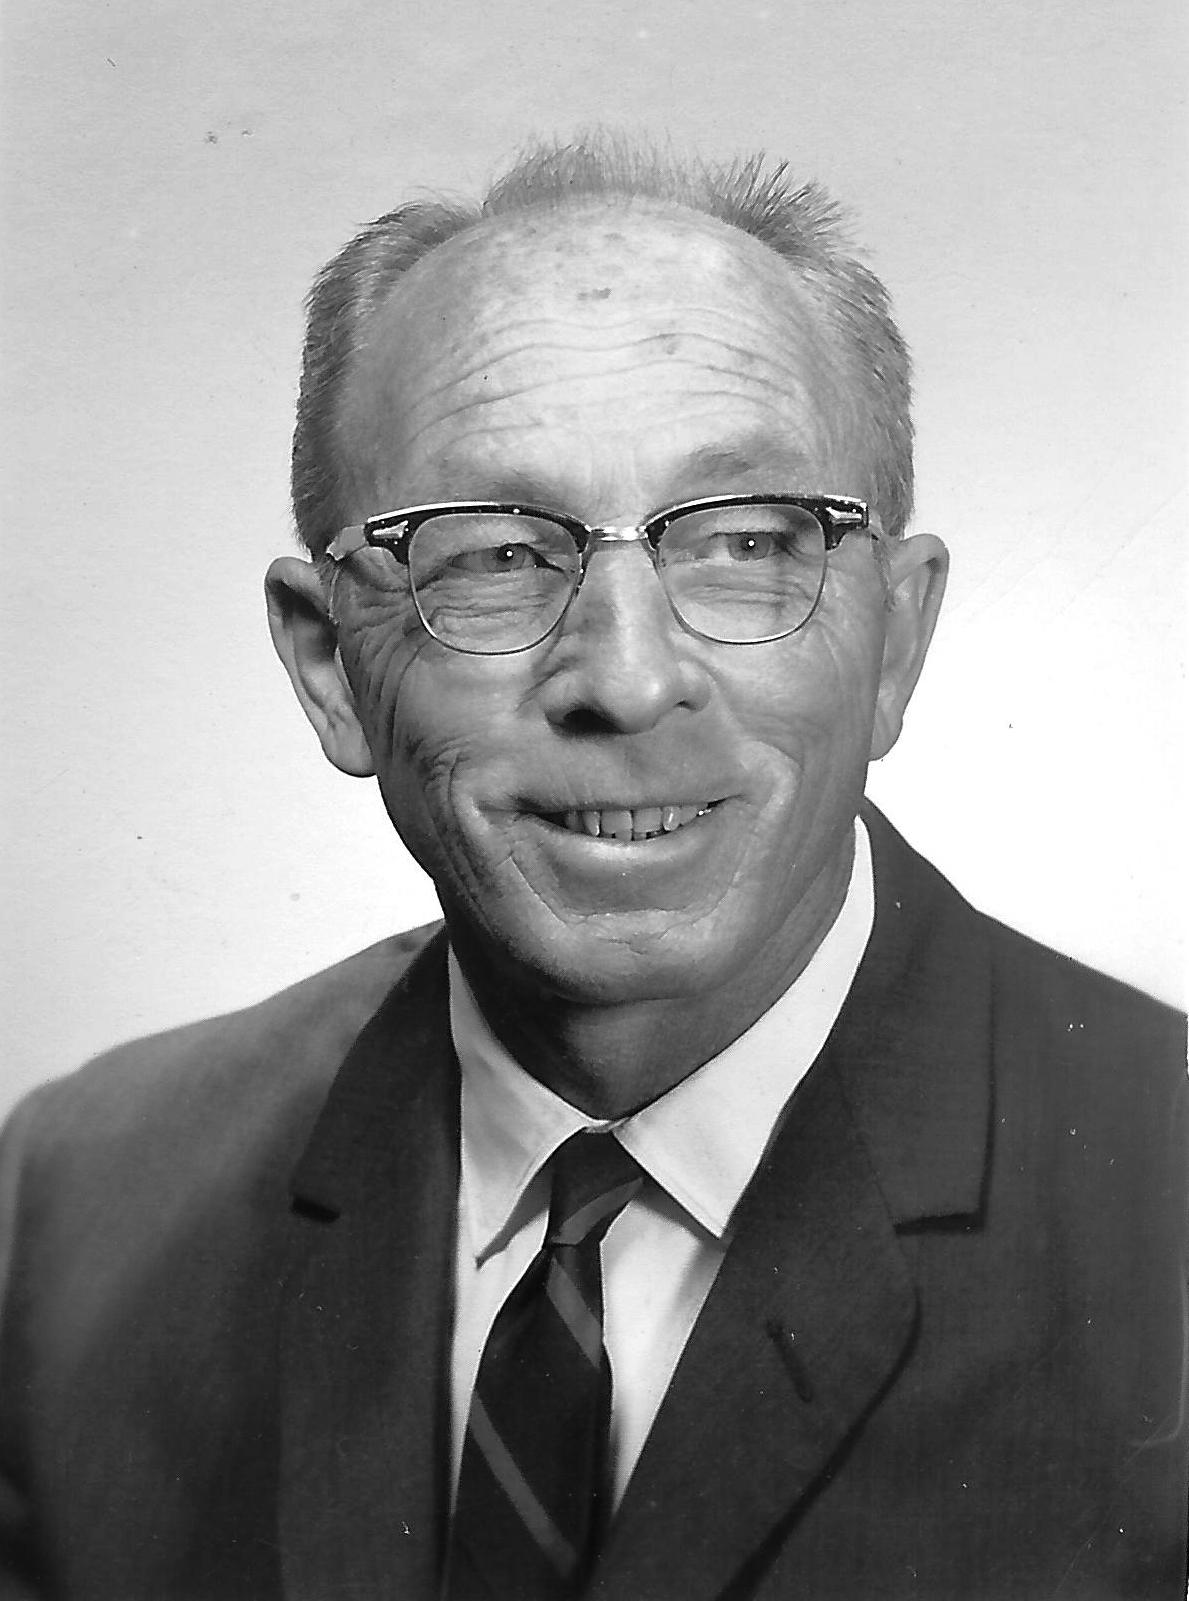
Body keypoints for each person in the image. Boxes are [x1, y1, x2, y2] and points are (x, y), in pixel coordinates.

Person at [0, 136, 1184, 1601]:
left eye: (743, 541)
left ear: (896, 639)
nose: (625, 680)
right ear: (325, 665)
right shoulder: (82, 1206)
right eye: (495, 555)